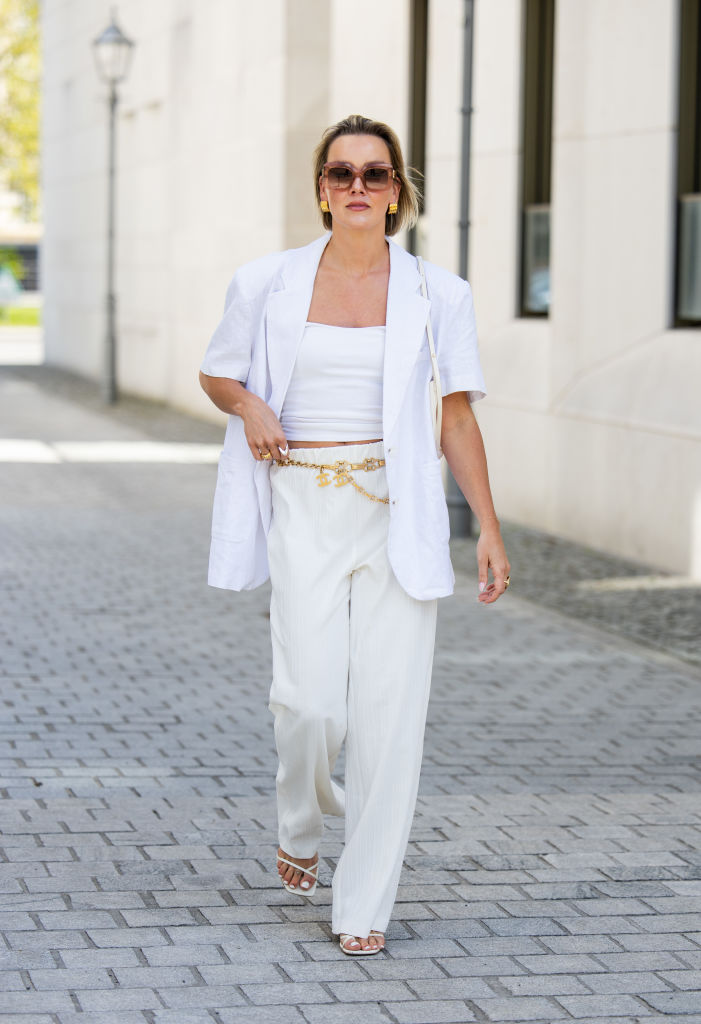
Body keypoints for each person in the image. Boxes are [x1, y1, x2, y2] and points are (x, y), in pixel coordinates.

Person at [199, 114, 510, 957]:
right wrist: (250, 406)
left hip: (395, 511)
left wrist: (486, 526)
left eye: (375, 174)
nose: (359, 187)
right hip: (303, 503)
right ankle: (301, 820)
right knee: (307, 704)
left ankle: (363, 901)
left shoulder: (438, 293)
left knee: (388, 717)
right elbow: (217, 370)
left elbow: (455, 416)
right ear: (322, 189)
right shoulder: (265, 281)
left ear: (397, 190)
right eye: (342, 174)